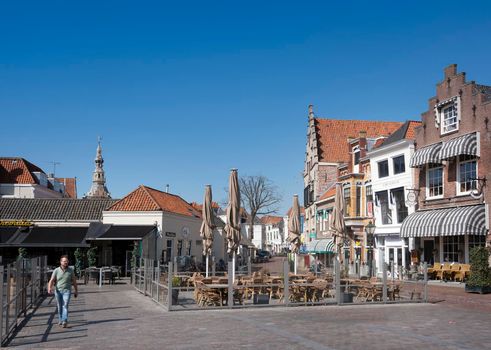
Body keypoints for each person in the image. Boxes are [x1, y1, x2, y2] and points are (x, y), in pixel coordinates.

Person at [48, 255, 78, 328]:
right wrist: (49, 288)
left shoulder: (70, 270)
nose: (66, 262)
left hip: (67, 291)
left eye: (67, 261)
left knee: (65, 305)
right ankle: (60, 319)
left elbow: (74, 281)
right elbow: (51, 280)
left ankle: (64, 320)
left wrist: (76, 290)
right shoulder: (56, 270)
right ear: (61, 262)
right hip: (58, 291)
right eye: (64, 261)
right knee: (59, 306)